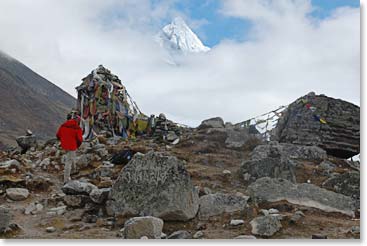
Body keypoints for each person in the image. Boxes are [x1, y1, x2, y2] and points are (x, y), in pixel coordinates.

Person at [56, 112, 83, 183]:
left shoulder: (63, 125)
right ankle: (66, 179)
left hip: (64, 145)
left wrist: (62, 140)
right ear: (78, 121)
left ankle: (74, 170)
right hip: (72, 146)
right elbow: (80, 140)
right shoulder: (77, 128)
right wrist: (77, 145)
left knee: (71, 158)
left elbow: (58, 135)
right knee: (68, 162)